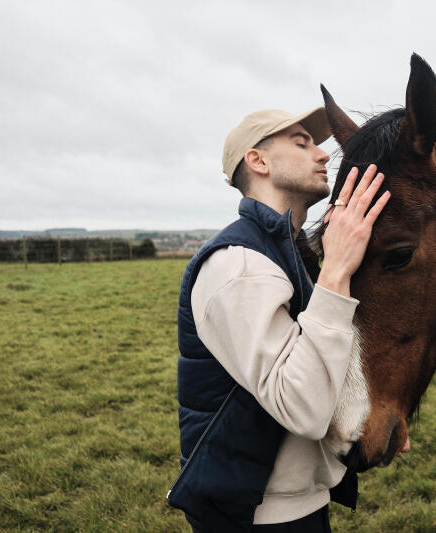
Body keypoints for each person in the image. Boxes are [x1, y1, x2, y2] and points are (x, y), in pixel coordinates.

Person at [167, 107, 391, 533]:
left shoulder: (291, 253)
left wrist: (369, 415)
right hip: (256, 514)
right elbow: (302, 405)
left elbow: (318, 358)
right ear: (259, 161)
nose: (324, 154)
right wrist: (337, 271)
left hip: (298, 502)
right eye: (302, 143)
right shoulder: (238, 266)